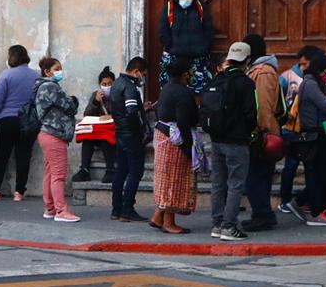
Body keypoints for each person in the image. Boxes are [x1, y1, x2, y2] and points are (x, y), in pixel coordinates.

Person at [203, 42, 258, 241]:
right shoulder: (245, 82)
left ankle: (217, 223)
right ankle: (229, 225)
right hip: (237, 141)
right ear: (248, 60)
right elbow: (252, 113)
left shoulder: (218, 79)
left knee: (218, 182)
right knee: (235, 184)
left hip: (216, 139)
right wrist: (249, 131)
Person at [292, 53, 326, 227]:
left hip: (313, 134)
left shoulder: (308, 82)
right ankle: (315, 212)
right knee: (317, 174)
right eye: (325, 71)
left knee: (316, 174)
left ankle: (305, 204)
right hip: (316, 135)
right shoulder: (312, 85)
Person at [0, 44, 37, 202]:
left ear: (12, 57)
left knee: (1, 156)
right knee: (24, 156)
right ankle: (19, 192)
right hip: (27, 121)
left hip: (6, 120)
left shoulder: (6, 75)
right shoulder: (35, 76)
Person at [152, 57, 200, 235]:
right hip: (174, 139)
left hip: (162, 134)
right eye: (190, 71)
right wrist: (188, 147)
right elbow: (184, 120)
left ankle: (158, 216)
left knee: (165, 179)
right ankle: (169, 222)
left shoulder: (166, 88)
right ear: (185, 74)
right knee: (174, 181)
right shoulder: (182, 92)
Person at [34, 56, 82, 223]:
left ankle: (50, 208)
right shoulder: (50, 87)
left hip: (48, 133)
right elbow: (69, 106)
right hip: (54, 134)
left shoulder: (43, 86)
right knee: (58, 175)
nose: (60, 71)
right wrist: (74, 101)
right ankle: (61, 210)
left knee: (50, 172)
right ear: (47, 72)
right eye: (57, 68)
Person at [243, 34, 282, 231]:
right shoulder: (258, 70)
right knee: (259, 175)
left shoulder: (264, 72)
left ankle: (263, 214)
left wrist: (261, 131)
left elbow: (264, 106)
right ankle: (262, 212)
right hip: (259, 132)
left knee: (256, 175)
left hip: (261, 134)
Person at [110, 57, 150, 222]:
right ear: (136, 72)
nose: (143, 77)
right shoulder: (130, 87)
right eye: (143, 74)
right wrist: (140, 131)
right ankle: (128, 209)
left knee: (121, 171)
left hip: (119, 133)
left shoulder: (116, 84)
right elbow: (132, 111)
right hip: (130, 136)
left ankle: (116, 209)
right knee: (135, 171)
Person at [158, 0, 214, 92]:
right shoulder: (170, 8)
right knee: (172, 89)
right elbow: (163, 30)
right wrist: (170, 47)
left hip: (197, 58)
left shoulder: (200, 9)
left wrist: (204, 48)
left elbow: (208, 30)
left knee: (198, 90)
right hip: (175, 57)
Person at [73, 67, 117, 184]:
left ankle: (110, 170)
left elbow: (124, 114)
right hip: (98, 130)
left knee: (105, 138)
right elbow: (87, 114)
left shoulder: (118, 95)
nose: (107, 86)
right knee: (87, 139)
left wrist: (112, 116)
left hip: (114, 132)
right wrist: (96, 102)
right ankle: (84, 170)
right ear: (100, 85)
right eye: (104, 84)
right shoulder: (95, 95)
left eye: (109, 84)